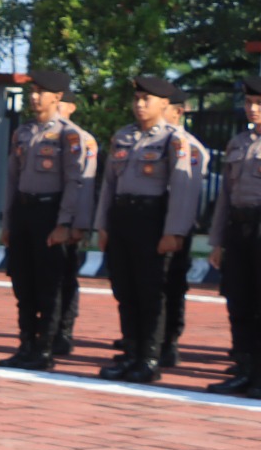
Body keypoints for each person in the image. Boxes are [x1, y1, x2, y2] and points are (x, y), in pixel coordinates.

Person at [92, 74, 202, 383]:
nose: (139, 105)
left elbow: (182, 187)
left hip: (152, 220)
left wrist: (174, 231)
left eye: (146, 100)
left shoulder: (173, 139)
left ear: (164, 104)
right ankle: (131, 354)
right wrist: (103, 224)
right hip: (123, 219)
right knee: (125, 291)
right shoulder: (123, 136)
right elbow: (109, 185)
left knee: (150, 293)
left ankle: (150, 359)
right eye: (137, 99)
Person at [0, 67, 96, 370]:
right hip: (25, 213)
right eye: (32, 92)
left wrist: (64, 223)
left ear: (57, 97)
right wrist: (8, 221)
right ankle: (25, 344)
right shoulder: (23, 132)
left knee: (49, 286)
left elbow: (74, 182)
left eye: (41, 93)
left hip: (50, 213)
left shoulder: (70, 135)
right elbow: (12, 180)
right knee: (23, 282)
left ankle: (45, 348)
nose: (35, 98)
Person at [213, 79, 261, 396]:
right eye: (248, 102)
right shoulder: (239, 142)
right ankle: (244, 370)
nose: (253, 109)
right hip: (238, 229)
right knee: (238, 302)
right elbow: (224, 197)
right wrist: (217, 241)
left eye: (258, 103)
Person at [162, 93, 211, 370]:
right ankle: (146, 338)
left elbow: (187, 193)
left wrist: (176, 230)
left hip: (176, 225)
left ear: (177, 111)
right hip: (151, 224)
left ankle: (169, 341)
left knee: (171, 284)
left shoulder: (188, 146)